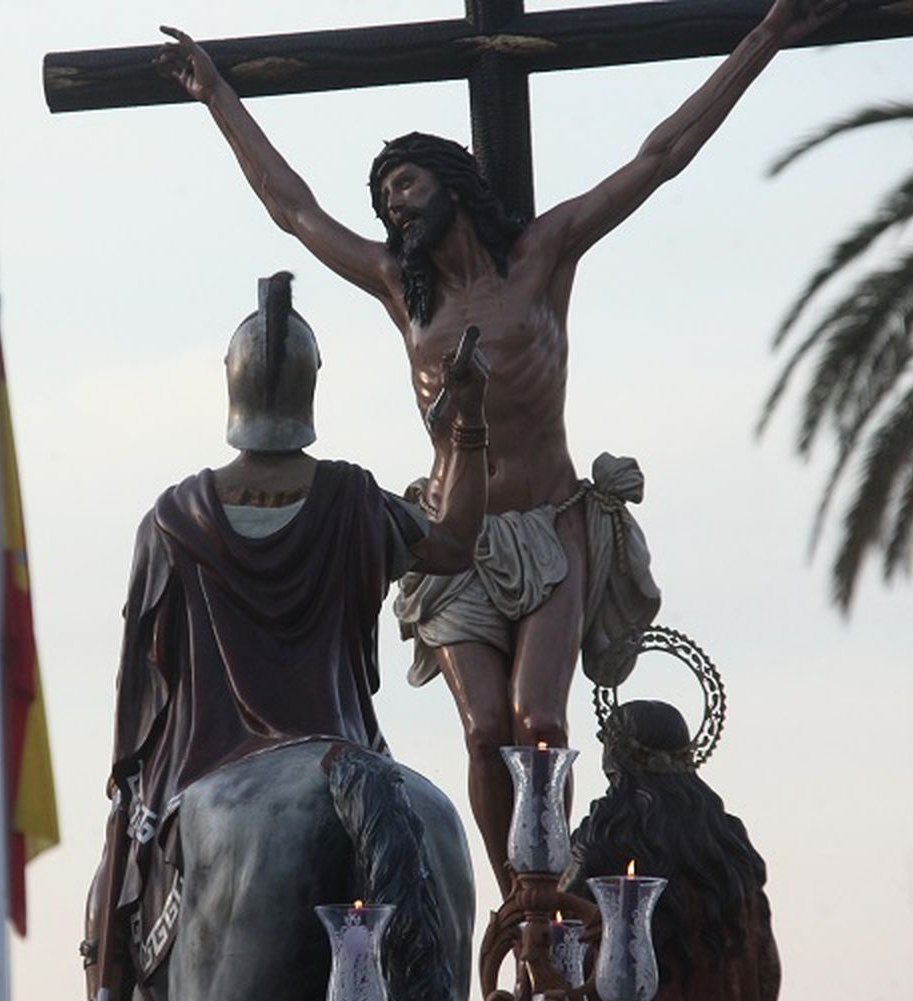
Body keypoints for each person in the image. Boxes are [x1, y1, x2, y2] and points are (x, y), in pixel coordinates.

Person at [155, 0, 845, 894]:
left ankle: (550, 889)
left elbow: (660, 156)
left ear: (451, 181)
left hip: (551, 525)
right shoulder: (402, 294)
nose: (393, 204)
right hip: (455, 539)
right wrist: (216, 95)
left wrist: (767, 34)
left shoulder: (542, 258)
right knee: (485, 731)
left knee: (540, 724)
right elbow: (294, 210)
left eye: (405, 184)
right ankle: (524, 907)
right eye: (384, 197)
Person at [78, 271, 488, 1001]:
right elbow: (455, 541)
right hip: (353, 748)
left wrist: (133, 790)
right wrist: (467, 425)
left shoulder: (171, 519)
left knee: (118, 851)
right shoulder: (354, 499)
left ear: (230, 387)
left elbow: (140, 708)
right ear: (311, 387)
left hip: (204, 765)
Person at [563, 700, 780, 1001]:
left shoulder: (604, 835)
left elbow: (556, 927)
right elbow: (763, 966)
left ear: (618, 758)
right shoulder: (730, 846)